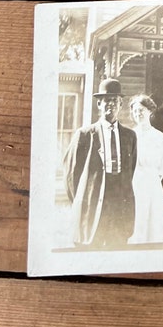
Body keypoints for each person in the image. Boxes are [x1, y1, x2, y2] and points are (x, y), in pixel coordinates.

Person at [62, 78, 137, 248]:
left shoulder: (129, 136)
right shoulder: (85, 135)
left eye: (115, 101)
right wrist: (84, 198)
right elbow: (71, 174)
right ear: (99, 105)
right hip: (93, 202)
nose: (111, 105)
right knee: (90, 250)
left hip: (119, 202)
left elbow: (129, 171)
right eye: (106, 101)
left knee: (116, 251)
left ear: (120, 105)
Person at [128, 94, 163, 245]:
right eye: (135, 111)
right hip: (134, 181)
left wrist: (153, 176)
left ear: (150, 111)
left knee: (153, 218)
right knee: (137, 216)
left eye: (141, 110)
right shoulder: (129, 135)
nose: (138, 114)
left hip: (152, 182)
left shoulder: (160, 138)